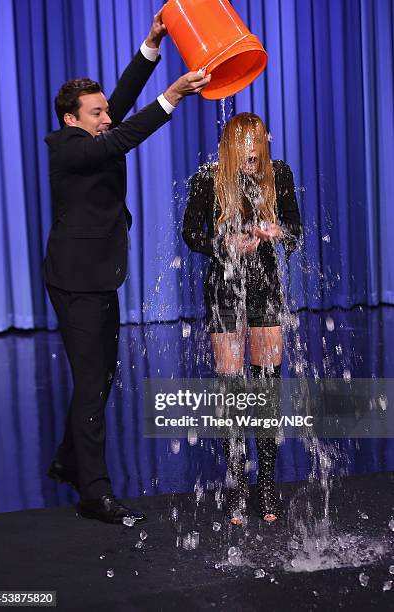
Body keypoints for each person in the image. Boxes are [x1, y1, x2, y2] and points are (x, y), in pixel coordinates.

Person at [45, 9, 211, 525]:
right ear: (72, 119)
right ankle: (94, 493)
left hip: (100, 276)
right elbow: (120, 138)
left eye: (103, 111)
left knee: (103, 376)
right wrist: (175, 95)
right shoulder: (67, 147)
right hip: (76, 281)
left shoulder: (92, 129)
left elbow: (119, 106)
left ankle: (69, 460)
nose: (105, 117)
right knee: (93, 381)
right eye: (95, 113)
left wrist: (152, 45)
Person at [182, 113, 301, 525]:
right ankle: (236, 481)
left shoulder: (279, 173)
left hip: (266, 289)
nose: (253, 149)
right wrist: (223, 241)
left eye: (258, 140)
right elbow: (190, 233)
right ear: (231, 145)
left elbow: (298, 231)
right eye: (245, 142)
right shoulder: (208, 177)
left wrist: (277, 233)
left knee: (266, 389)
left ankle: (266, 481)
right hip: (225, 291)